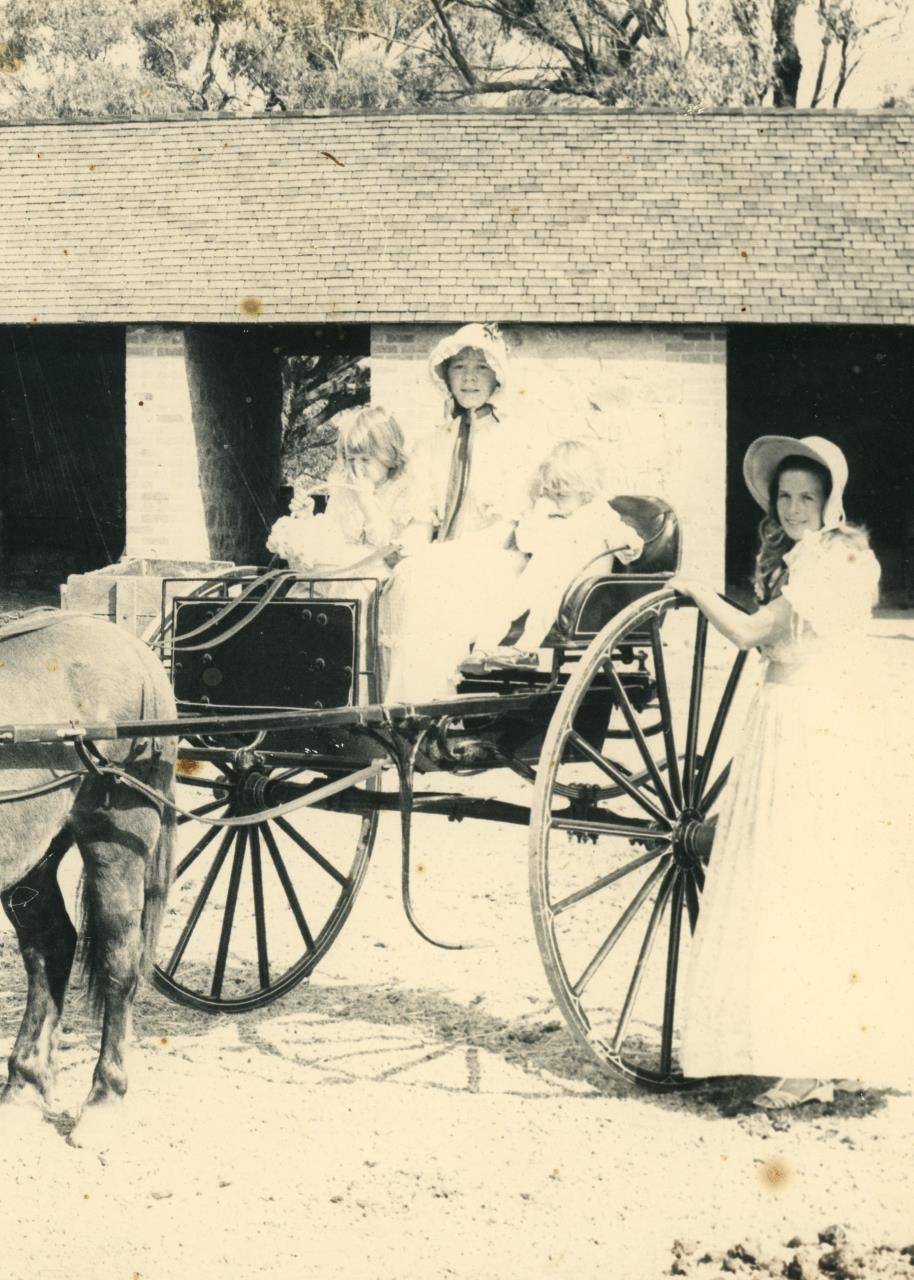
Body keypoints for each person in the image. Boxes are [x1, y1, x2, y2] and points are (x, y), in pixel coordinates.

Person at [672, 435, 912, 1107]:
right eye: (784, 497)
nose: (795, 508)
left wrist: (694, 591)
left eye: (808, 496)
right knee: (783, 877)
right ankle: (803, 1048)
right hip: (783, 714)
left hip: (813, 723)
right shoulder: (799, 556)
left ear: (832, 502)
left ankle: (812, 1061)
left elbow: (752, 634)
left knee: (801, 878)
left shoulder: (838, 559)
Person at [383, 322, 551, 703]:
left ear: (497, 378)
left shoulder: (517, 440)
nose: (469, 378)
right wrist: (403, 551)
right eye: (459, 367)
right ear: (445, 376)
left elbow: (508, 527)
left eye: (480, 367)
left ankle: (425, 708)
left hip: (498, 560)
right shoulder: (431, 444)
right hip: (439, 558)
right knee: (393, 579)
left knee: (429, 582)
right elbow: (421, 521)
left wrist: (438, 557)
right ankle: (386, 709)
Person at [463, 439, 644, 670]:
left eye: (562, 496)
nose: (555, 501)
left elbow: (621, 536)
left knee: (545, 604)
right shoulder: (552, 513)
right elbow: (527, 543)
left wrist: (630, 543)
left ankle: (526, 650)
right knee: (508, 601)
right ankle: (481, 649)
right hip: (544, 575)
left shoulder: (599, 513)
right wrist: (539, 516)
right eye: (550, 493)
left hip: (580, 586)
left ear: (586, 491)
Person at [266, 405, 422, 579]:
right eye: (351, 460)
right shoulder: (346, 490)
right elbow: (334, 539)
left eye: (365, 459)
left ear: (389, 456)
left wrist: (365, 500)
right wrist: (307, 517)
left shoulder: (403, 493)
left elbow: (387, 548)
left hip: (378, 582)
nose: (356, 468)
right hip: (341, 578)